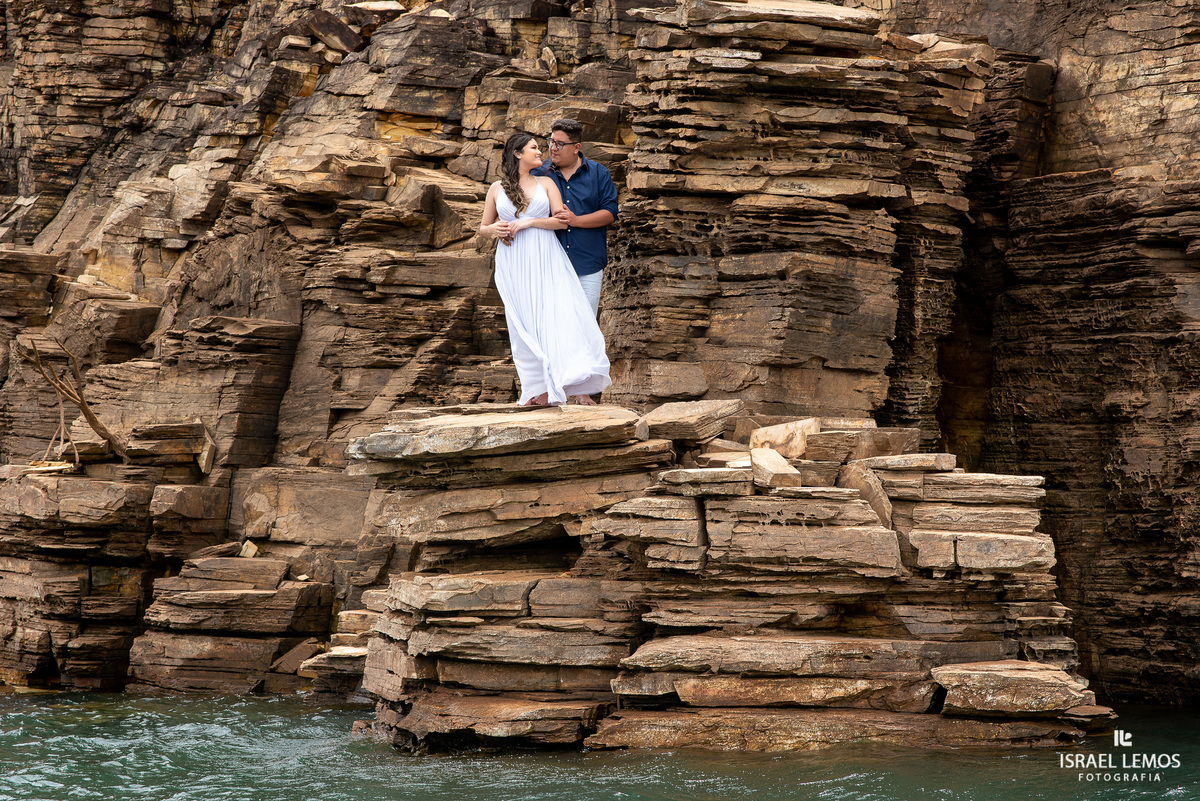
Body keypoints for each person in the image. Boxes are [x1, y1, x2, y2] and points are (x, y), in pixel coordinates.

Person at [479, 132, 612, 406]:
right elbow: (482, 228)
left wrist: (527, 223)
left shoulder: (547, 183)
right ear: (517, 153)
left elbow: (561, 222)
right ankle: (534, 389)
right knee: (521, 324)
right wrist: (494, 229)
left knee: (550, 319)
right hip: (514, 260)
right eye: (534, 148)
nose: (541, 152)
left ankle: (566, 384)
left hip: (545, 256)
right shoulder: (495, 189)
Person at [531, 118, 619, 316]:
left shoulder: (599, 173)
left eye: (560, 144)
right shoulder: (539, 172)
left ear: (576, 147)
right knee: (551, 326)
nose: (553, 148)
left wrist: (576, 220)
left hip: (587, 265)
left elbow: (610, 212)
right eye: (551, 141)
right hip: (548, 266)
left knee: (585, 326)